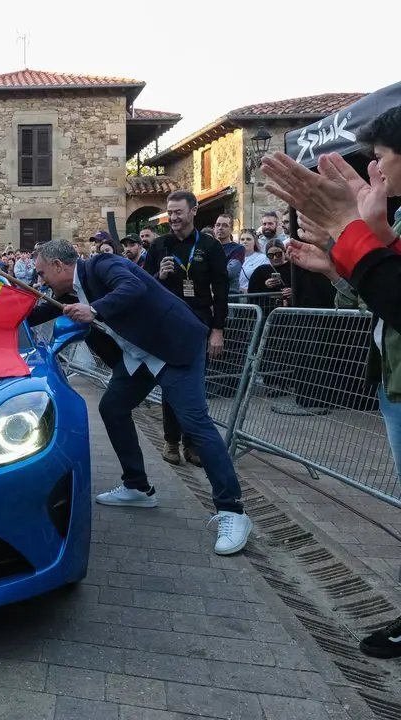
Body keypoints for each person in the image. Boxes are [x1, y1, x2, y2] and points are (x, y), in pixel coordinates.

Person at [259, 109, 401, 659]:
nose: (377, 171)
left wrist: (351, 230)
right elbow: (381, 294)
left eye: (382, 157)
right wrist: (338, 264)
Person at [30, 240, 251, 555]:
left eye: (42, 274)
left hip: (176, 348)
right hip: (142, 359)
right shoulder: (68, 290)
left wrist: (93, 309)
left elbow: (132, 286)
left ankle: (233, 510)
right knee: (112, 408)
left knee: (194, 422)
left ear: (58, 265)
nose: (41, 282)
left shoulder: (102, 265)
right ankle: (138, 487)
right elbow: (35, 311)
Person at [145, 191, 229, 467]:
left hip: (199, 323)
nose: (174, 218)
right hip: (167, 324)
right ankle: (171, 441)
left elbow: (222, 291)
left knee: (194, 387)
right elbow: (143, 286)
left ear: (193, 211)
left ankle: (192, 445)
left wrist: (217, 330)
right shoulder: (159, 246)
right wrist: (160, 275)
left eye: (179, 212)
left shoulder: (210, 246)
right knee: (170, 385)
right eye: (170, 212)